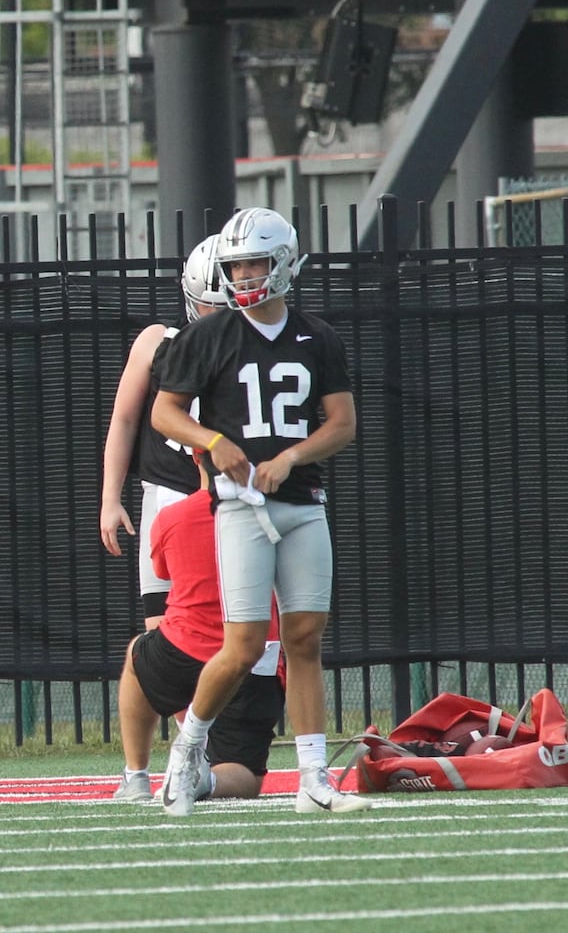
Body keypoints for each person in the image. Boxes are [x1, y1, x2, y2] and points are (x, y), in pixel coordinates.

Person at [151, 207, 369, 815]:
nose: (245, 274)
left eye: (255, 262)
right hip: (241, 508)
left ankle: (313, 779)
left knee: (304, 638)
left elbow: (343, 424)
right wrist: (215, 442)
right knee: (243, 644)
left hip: (302, 503)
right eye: (236, 264)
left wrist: (291, 458)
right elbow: (164, 413)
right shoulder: (210, 334)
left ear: (285, 264)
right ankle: (186, 749)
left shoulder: (316, 336)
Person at [111, 476, 285, 805]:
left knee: (138, 654)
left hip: (188, 648)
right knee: (246, 775)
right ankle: (206, 780)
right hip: (256, 657)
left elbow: (163, 571)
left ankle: (136, 775)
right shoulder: (274, 513)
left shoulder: (173, 516)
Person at [99, 236, 225, 632]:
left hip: (232, 495)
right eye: (210, 305)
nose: (217, 316)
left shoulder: (256, 350)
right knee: (162, 627)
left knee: (239, 623)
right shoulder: (159, 342)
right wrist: (109, 498)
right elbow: (123, 421)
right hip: (169, 491)